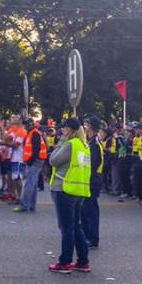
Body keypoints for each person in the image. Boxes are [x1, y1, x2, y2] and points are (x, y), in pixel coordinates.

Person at [48, 117, 91, 274]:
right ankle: (83, 261)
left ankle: (65, 262)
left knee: (67, 227)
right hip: (79, 189)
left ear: (70, 130)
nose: (62, 131)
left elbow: (53, 160)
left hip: (64, 188)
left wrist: (60, 142)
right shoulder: (83, 145)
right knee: (76, 226)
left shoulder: (70, 145)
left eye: (64, 129)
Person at [14, 118, 47, 213]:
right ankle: (31, 205)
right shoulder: (33, 133)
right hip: (36, 161)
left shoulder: (34, 133)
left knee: (29, 184)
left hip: (35, 161)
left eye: (26, 125)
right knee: (33, 184)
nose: (25, 126)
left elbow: (35, 150)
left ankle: (25, 205)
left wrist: (29, 161)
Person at [81, 115, 103, 246]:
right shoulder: (89, 142)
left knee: (90, 210)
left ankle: (93, 238)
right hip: (89, 179)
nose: (85, 126)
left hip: (92, 180)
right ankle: (87, 235)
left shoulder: (94, 143)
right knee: (85, 209)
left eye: (87, 124)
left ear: (91, 127)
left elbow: (93, 164)